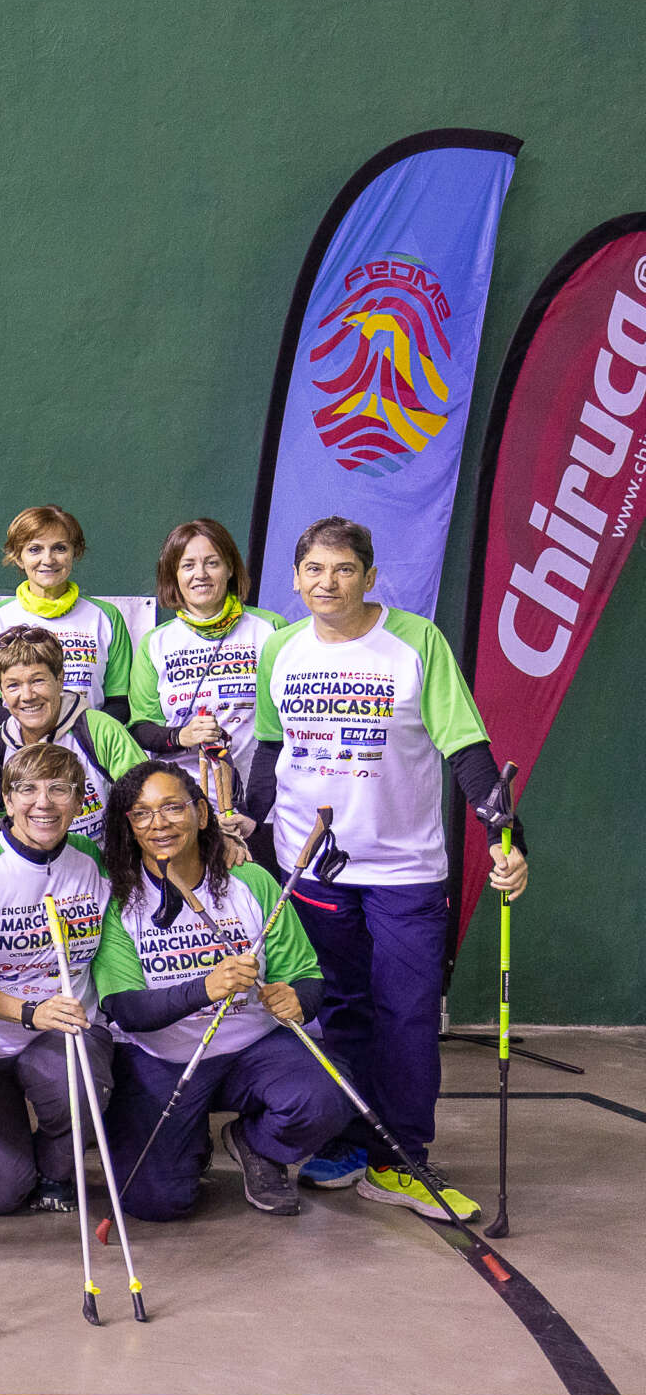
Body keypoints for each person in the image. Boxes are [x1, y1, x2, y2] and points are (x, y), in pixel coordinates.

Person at [245, 515, 528, 1218]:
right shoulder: (279, 648)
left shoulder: (415, 642)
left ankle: (400, 1159)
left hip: (404, 869)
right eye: (315, 570)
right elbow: (272, 752)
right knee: (339, 1008)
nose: (328, 583)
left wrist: (506, 835)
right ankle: (346, 1142)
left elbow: (466, 750)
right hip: (310, 868)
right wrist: (248, 834)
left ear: (370, 577)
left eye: (344, 569)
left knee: (406, 1013)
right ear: (295, 579)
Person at [95, 760, 342, 1220]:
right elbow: (127, 1010)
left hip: (253, 1048)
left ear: (202, 813)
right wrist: (206, 987)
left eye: (173, 807)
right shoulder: (117, 898)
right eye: (142, 813)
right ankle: (188, 1141)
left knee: (325, 1094)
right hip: (160, 1059)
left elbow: (306, 975)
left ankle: (256, 1144)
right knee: (155, 1202)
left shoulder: (250, 879)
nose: (159, 823)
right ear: (128, 825)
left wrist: (298, 1000)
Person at [0, 742, 112, 1216]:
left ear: (79, 800)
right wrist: (31, 1012)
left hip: (67, 1033)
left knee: (76, 1085)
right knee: (0, 1195)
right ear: (7, 799)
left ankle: (57, 1166)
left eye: (60, 789)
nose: (44, 803)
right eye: (28, 790)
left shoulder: (91, 858)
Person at [127, 518, 280, 844]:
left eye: (212, 563)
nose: (201, 574)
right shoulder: (156, 643)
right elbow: (141, 728)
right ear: (174, 575)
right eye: (188, 565)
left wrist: (255, 810)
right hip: (184, 810)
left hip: (260, 809)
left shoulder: (271, 629)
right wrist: (182, 736)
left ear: (230, 569)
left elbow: (285, 724)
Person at [0, 627, 149, 849]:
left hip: (100, 862)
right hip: (30, 866)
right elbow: (2, 825)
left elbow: (147, 798)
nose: (27, 696)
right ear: (1, 690)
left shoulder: (99, 730)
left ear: (60, 679)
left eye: (37, 681)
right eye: (13, 685)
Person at [0, 505, 133, 727]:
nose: (48, 559)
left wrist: (78, 735)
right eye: (34, 549)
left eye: (60, 548)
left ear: (75, 553)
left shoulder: (106, 616)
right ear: (18, 557)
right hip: (18, 745)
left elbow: (119, 703)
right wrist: (34, 734)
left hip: (88, 743)